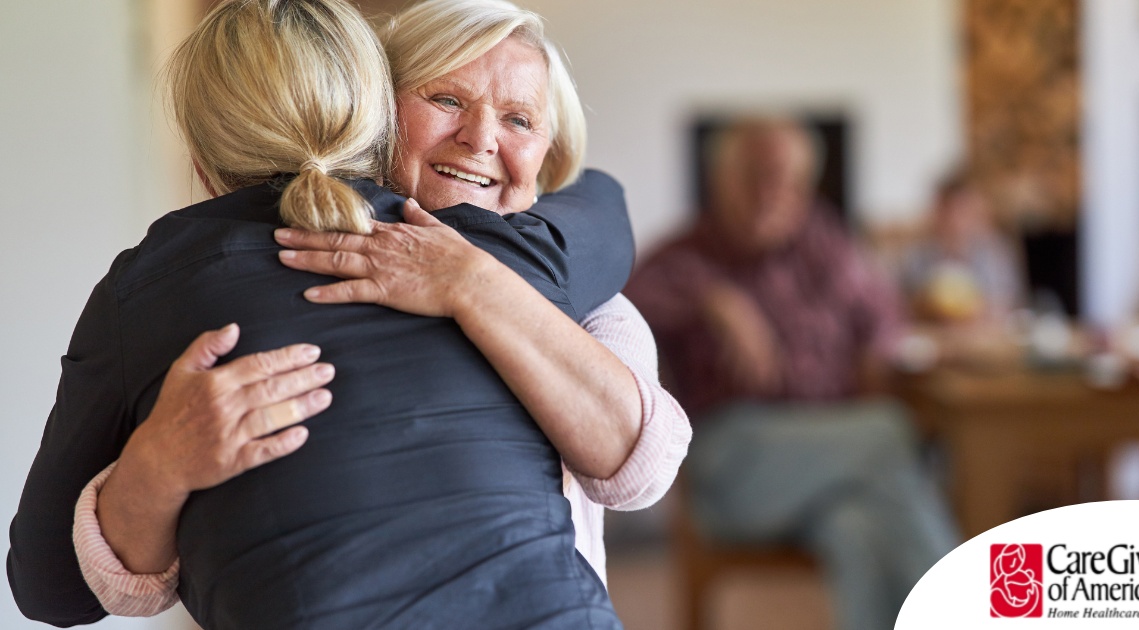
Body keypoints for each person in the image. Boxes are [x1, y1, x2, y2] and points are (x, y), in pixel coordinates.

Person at [9, 1, 689, 627]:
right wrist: (156, 468)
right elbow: (606, 205)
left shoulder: (552, 277)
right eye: (446, 99)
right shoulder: (539, 251)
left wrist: (473, 283)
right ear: (375, 117)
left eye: (520, 119)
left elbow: (642, 471)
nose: (482, 138)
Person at [625, 118, 957, 630]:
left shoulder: (824, 245)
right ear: (720, 180)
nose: (771, 194)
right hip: (734, 466)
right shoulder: (683, 256)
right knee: (890, 432)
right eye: (755, 176)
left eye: (788, 180)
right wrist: (714, 299)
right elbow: (620, 305)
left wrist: (875, 349)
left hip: (832, 464)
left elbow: (887, 318)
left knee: (857, 526)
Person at [902, 170, 1022, 325]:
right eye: (948, 211)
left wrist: (977, 312)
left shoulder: (995, 254)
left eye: (963, 210)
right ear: (937, 213)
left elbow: (1007, 304)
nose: (955, 220)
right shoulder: (917, 257)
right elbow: (903, 306)